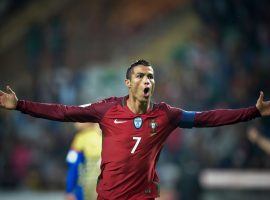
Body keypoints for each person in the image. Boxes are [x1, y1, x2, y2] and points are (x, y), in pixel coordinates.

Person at [0, 59, 270, 200]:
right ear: (127, 83)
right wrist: (20, 104)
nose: (146, 80)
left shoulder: (166, 115)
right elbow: (63, 112)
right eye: (140, 76)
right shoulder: (106, 110)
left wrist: (253, 112)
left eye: (150, 76)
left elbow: (208, 118)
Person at [65, 122, 102, 200]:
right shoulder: (109, 135)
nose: (75, 123)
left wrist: (69, 190)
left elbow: (73, 167)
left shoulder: (81, 139)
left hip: (85, 190)